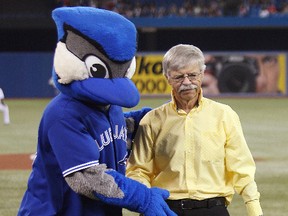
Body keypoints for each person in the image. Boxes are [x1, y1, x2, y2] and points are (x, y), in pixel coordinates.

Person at [18, 7, 175, 216]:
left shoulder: (109, 105)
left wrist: (155, 118)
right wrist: (143, 197)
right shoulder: (63, 113)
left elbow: (111, 133)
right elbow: (88, 178)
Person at [126, 44, 263, 216]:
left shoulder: (224, 115)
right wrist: (148, 203)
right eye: (178, 77)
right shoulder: (152, 120)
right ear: (167, 77)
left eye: (192, 75)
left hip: (213, 209)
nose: (186, 82)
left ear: (202, 74)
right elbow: (138, 170)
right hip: (166, 209)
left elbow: (241, 167)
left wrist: (254, 208)